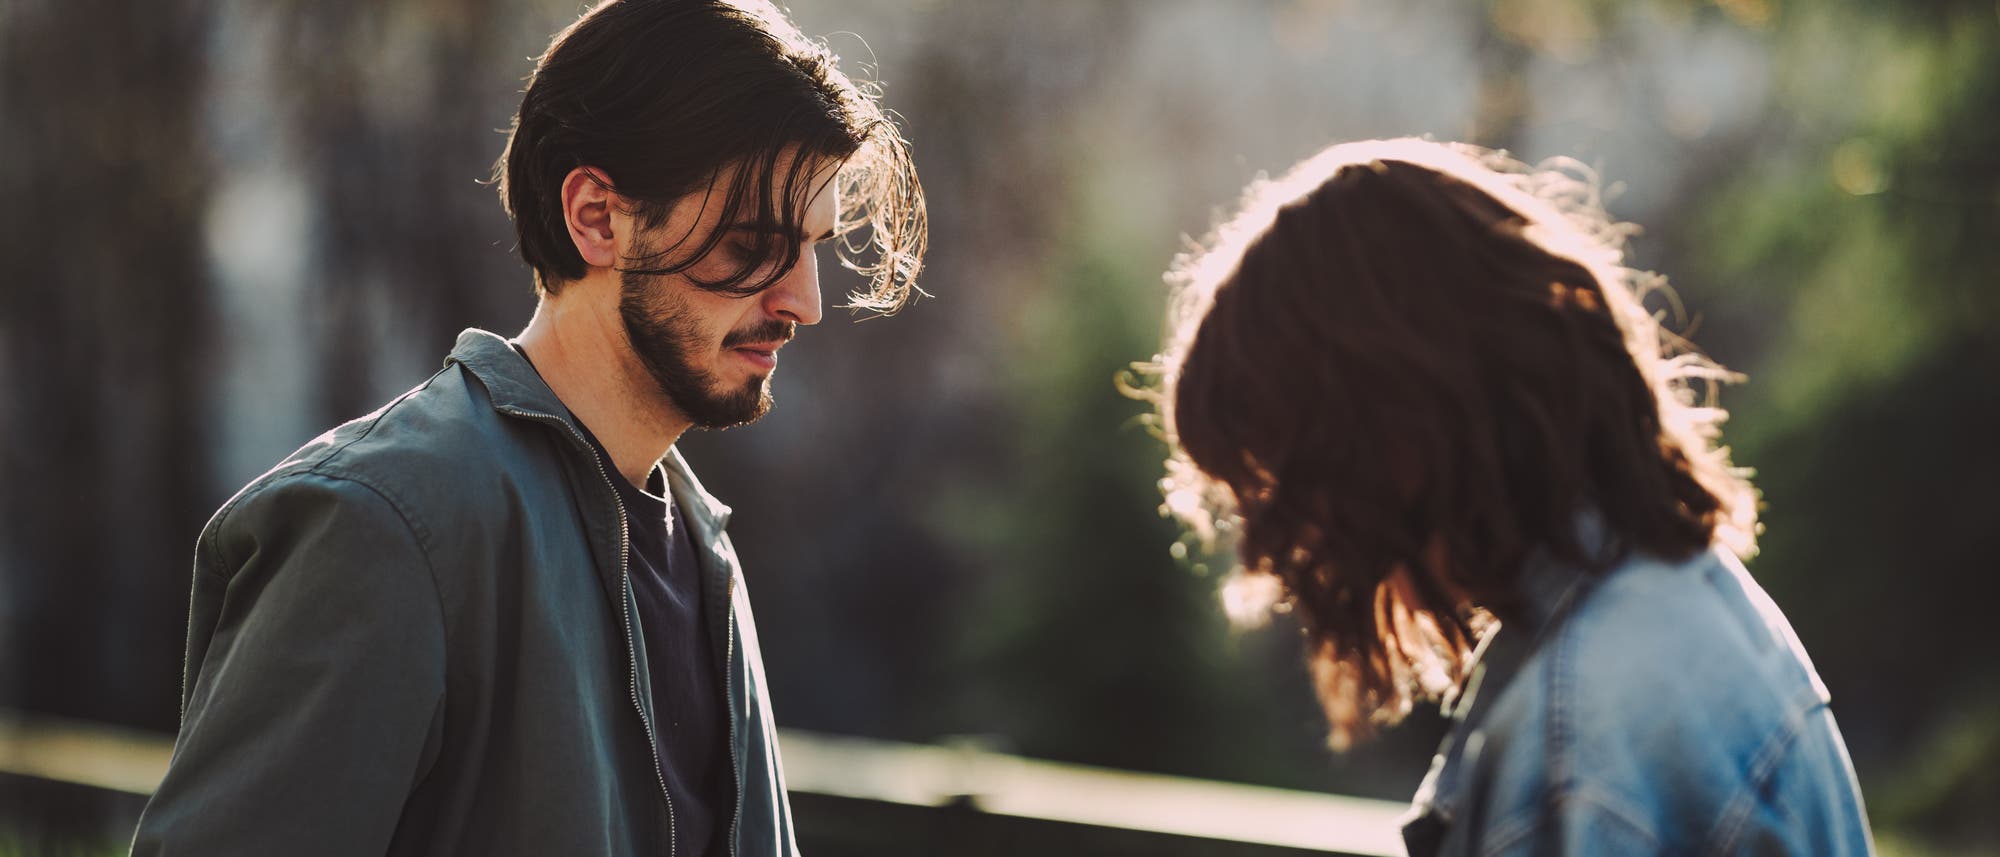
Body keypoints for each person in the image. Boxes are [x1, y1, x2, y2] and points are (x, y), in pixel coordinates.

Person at [130, 1, 923, 854]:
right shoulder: (383, 526)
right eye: (751, 244)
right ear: (596, 217)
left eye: (812, 246)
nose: (804, 301)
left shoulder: (705, 554)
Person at [1148, 138, 1872, 855]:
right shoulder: (1688, 605)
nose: (1293, 544)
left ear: (1387, 434)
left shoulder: (1579, 739)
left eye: (1285, 478)